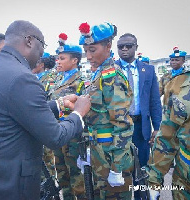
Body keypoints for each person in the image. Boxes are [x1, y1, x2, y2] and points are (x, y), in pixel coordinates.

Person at [0, 20, 91, 200]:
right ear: (29, 41)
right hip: (5, 182)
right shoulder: (23, 77)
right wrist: (78, 113)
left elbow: (14, 111)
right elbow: (55, 137)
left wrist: (58, 104)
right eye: (41, 46)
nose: (42, 55)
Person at [78, 22, 134, 199]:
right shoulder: (99, 74)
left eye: (92, 50)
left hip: (112, 155)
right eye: (86, 51)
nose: (88, 56)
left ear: (108, 46)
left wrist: (117, 167)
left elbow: (122, 124)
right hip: (99, 152)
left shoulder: (112, 76)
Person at [115, 33, 162, 199]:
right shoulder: (111, 70)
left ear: (136, 47)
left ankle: (141, 195)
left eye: (129, 45)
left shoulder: (147, 70)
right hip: (119, 128)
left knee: (142, 166)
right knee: (121, 167)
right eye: (121, 46)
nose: (125, 49)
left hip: (141, 127)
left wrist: (157, 128)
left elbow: (154, 101)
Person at [147, 63, 190, 200]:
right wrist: (154, 181)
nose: (174, 62)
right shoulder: (178, 84)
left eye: (177, 59)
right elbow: (167, 136)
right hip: (186, 185)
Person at [48, 33, 86, 200]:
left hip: (74, 138)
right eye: (57, 58)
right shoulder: (57, 80)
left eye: (62, 58)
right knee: (63, 177)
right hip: (58, 135)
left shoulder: (82, 82)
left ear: (74, 61)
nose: (58, 61)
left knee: (78, 179)